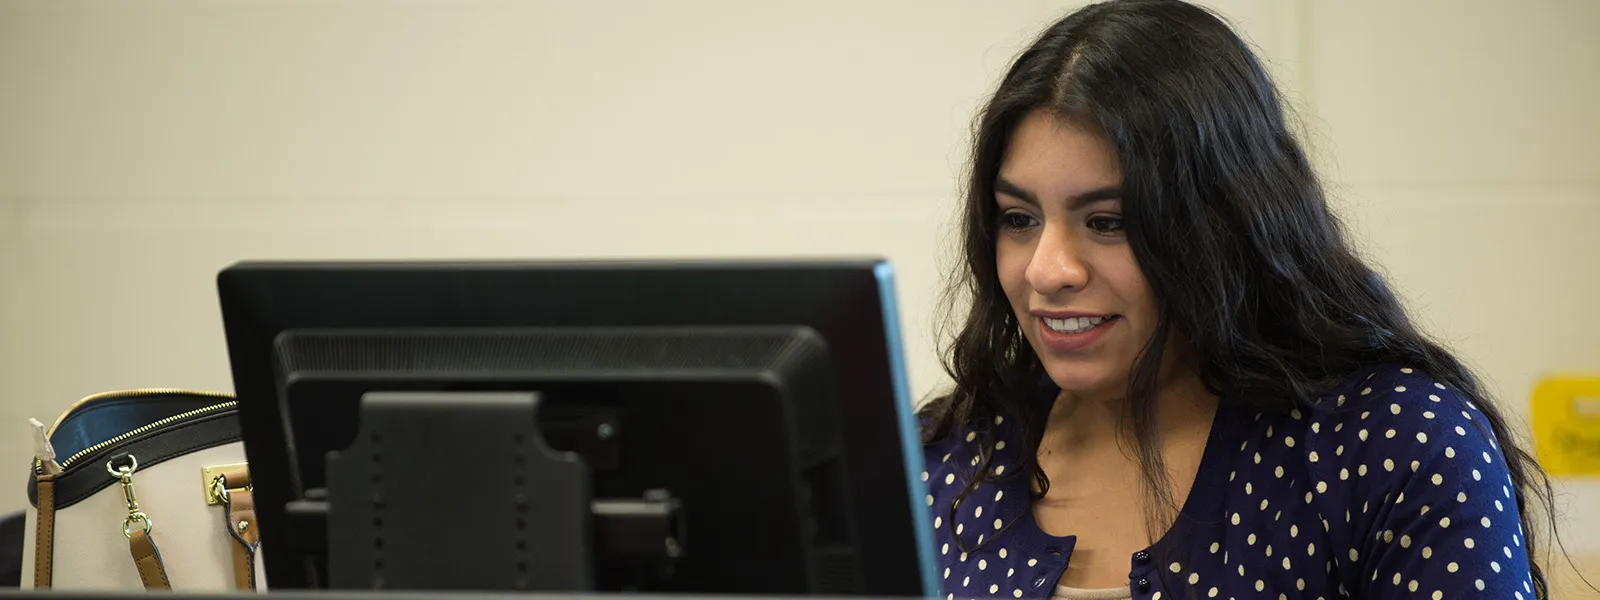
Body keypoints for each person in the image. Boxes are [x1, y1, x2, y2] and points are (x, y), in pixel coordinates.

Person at [919, 1, 1556, 599]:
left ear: (1225, 223)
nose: (1048, 270)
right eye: (1019, 219)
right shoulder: (943, 459)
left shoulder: (1390, 444)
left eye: (1109, 222)